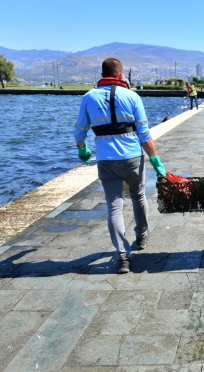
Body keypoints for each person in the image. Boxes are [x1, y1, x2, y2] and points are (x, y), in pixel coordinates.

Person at [74, 58, 167, 274]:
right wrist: (155, 160)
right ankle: (142, 235)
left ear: (103, 74)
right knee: (138, 195)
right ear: (120, 75)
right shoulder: (132, 96)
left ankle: (123, 255)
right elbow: (144, 134)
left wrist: (82, 149)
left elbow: (80, 131)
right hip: (132, 157)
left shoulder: (88, 98)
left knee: (114, 206)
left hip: (106, 160)